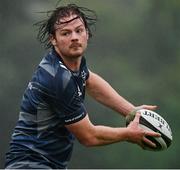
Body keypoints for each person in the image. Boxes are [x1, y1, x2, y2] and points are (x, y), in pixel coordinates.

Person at [5, 3, 160, 169]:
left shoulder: (71, 64)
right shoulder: (58, 78)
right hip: (30, 164)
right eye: (66, 33)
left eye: (79, 30)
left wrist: (130, 112)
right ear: (53, 39)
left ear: (87, 33)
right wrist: (128, 134)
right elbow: (89, 136)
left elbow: (90, 80)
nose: (74, 37)